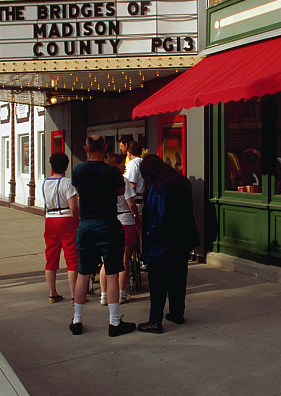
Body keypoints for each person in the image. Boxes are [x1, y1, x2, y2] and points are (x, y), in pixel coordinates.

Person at [70, 135, 135, 337]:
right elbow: (121, 191)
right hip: (108, 224)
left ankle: (77, 320)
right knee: (112, 272)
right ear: (105, 148)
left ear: (85, 148)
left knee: (83, 272)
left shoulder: (78, 170)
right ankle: (114, 323)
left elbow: (77, 191)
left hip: (86, 224)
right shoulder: (112, 171)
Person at [137, 154, 199, 334]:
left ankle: (155, 321)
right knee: (178, 278)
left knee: (157, 283)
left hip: (162, 241)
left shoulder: (158, 187)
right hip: (182, 239)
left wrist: (149, 240)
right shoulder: (181, 181)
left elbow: (158, 217)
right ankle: (177, 313)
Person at [98, 153, 141, 306]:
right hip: (125, 220)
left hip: (106, 220)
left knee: (107, 260)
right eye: (123, 163)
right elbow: (131, 203)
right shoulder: (123, 181)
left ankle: (104, 295)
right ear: (116, 164)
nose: (125, 166)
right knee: (124, 259)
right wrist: (137, 216)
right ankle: (122, 293)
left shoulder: (101, 181)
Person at [42, 152, 79, 305]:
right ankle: (74, 295)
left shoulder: (45, 182)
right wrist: (77, 220)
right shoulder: (67, 183)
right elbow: (73, 207)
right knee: (71, 256)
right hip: (66, 218)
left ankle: (52, 293)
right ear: (66, 166)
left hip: (50, 219)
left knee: (51, 256)